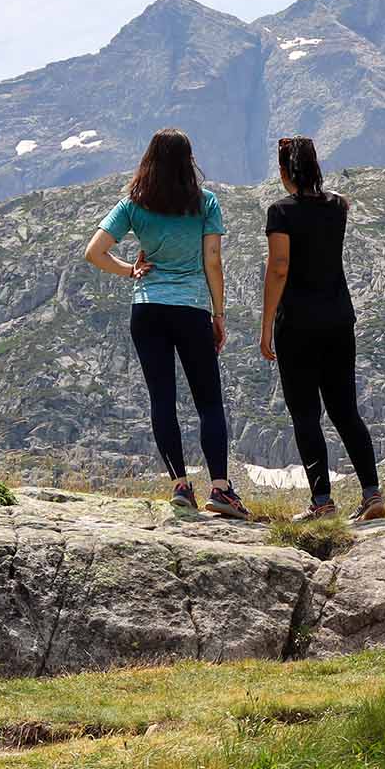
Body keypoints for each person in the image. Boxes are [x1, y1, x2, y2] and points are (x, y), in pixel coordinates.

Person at [84, 128, 249, 519]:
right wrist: (219, 313)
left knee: (163, 399)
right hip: (191, 309)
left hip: (147, 309)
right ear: (188, 160)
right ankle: (221, 490)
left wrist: (130, 271)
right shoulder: (205, 203)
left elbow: (94, 252)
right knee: (208, 401)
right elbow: (213, 261)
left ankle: (179, 486)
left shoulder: (133, 204)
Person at [260, 136, 385, 522]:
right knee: (346, 410)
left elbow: (279, 267)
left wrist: (266, 326)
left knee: (305, 414)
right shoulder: (338, 207)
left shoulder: (280, 212)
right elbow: (330, 208)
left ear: (284, 172)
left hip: (297, 323)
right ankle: (372, 494)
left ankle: (322, 502)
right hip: (338, 320)